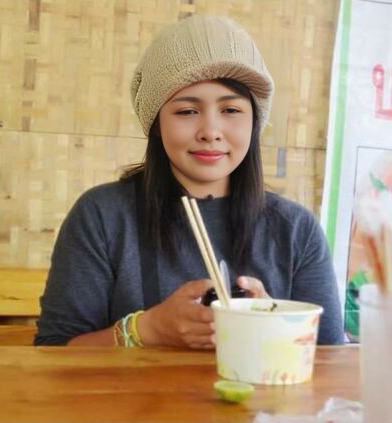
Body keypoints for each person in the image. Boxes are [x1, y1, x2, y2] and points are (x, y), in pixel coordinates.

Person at [34, 15, 344, 348]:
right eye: (187, 111)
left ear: (254, 122)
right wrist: (146, 330)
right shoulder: (102, 216)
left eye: (231, 110)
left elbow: (331, 360)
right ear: (156, 123)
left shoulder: (296, 230)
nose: (210, 131)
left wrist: (275, 323)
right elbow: (53, 352)